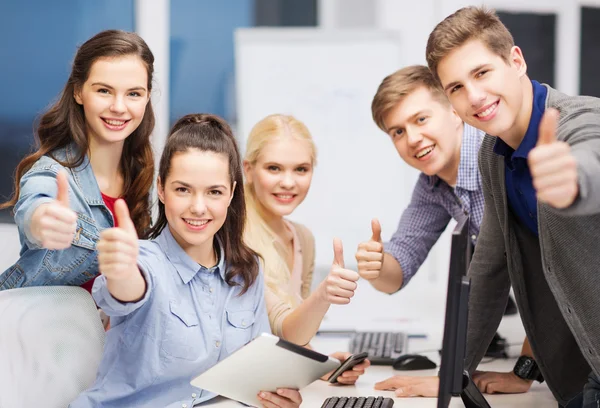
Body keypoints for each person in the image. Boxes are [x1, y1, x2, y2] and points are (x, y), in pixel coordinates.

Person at [382, 6, 600, 408]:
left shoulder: (576, 121)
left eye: (481, 73)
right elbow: (487, 272)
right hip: (584, 369)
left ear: (515, 61)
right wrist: (453, 375)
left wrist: (573, 179)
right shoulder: (492, 155)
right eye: (456, 88)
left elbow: (593, 153)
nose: (474, 97)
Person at [70, 114, 303, 408]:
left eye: (214, 192)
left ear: (231, 193)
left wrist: (274, 395)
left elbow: (252, 376)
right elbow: (127, 288)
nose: (198, 207)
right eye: (183, 189)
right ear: (161, 189)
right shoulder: (142, 262)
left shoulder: (248, 271)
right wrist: (121, 270)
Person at [355, 65, 531, 396]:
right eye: (397, 132)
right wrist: (377, 266)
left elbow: (553, 278)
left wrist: (524, 371)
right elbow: (398, 268)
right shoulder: (433, 186)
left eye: (421, 119)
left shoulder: (498, 158)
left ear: (454, 112)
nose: (413, 139)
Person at [0, 30, 155, 293]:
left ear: (147, 97)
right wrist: (43, 221)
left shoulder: (141, 172)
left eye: (134, 94)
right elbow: (35, 207)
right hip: (46, 331)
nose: (119, 106)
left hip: (109, 333)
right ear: (79, 92)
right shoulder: (52, 174)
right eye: (104, 90)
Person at [243, 114, 369, 385]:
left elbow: (291, 341)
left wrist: (321, 364)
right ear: (248, 170)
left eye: (301, 169)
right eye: (274, 168)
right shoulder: (234, 237)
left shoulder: (303, 238)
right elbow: (285, 330)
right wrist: (323, 295)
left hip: (271, 385)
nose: (289, 183)